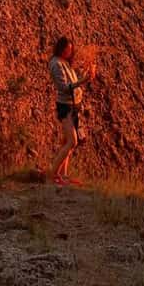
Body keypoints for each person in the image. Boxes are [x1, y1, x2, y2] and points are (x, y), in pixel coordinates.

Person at [48, 36, 96, 186]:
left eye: (70, 49)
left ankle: (64, 175)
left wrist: (86, 77)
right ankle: (51, 175)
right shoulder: (56, 63)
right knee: (72, 141)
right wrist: (81, 81)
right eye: (67, 49)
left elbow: (73, 83)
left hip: (74, 106)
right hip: (66, 106)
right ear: (60, 48)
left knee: (66, 142)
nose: (69, 52)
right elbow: (63, 87)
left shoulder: (65, 63)